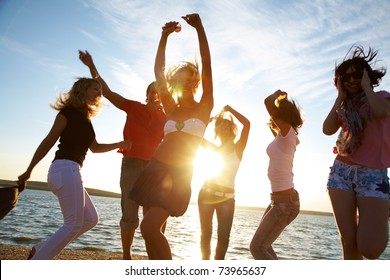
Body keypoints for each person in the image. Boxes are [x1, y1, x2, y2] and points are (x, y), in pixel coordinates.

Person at [130, 13, 213, 260]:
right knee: (149, 234)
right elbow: (158, 71)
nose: (184, 85)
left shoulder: (204, 106)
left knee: (148, 227)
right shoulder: (170, 107)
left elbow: (207, 64)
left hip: (178, 175)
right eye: (179, 81)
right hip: (155, 170)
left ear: (195, 84)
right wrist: (163, 36)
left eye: (189, 82)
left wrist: (199, 28)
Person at [17, 77, 128, 260]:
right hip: (64, 170)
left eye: (100, 90)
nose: (99, 94)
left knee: (91, 219)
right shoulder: (66, 114)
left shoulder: (86, 118)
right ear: (82, 90)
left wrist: (120, 144)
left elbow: (95, 147)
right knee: (74, 224)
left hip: (72, 171)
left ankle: (40, 249)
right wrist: (29, 170)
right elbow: (47, 142)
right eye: (95, 89)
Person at [78, 50, 166, 260]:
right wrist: (91, 65)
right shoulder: (134, 108)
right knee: (129, 214)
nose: (155, 95)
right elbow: (107, 92)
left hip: (155, 167)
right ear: (147, 95)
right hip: (132, 164)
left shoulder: (167, 117)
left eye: (159, 92)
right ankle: (126, 258)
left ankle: (156, 260)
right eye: (152, 92)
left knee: (153, 216)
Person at [323, 45, 390, 259]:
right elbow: (327, 129)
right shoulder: (345, 107)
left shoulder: (382, 97)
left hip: (373, 176)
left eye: (356, 75)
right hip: (341, 172)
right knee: (348, 243)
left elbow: (380, 112)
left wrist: (366, 86)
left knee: (370, 249)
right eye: (346, 76)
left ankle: (376, 214)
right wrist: (339, 98)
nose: (351, 79)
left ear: (366, 76)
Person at [250, 90, 303, 260]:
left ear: (283, 115)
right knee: (264, 245)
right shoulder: (283, 137)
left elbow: (267, 101)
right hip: (278, 201)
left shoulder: (289, 134)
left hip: (285, 204)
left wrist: (278, 95)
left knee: (257, 247)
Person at [198, 105, 250, 260]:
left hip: (226, 199)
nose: (224, 129)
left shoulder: (238, 148)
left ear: (233, 131)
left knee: (223, 238)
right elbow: (197, 135)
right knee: (205, 235)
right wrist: (208, 120)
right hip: (206, 194)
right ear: (217, 132)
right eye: (221, 127)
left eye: (228, 127)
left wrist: (230, 110)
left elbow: (247, 124)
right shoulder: (213, 149)